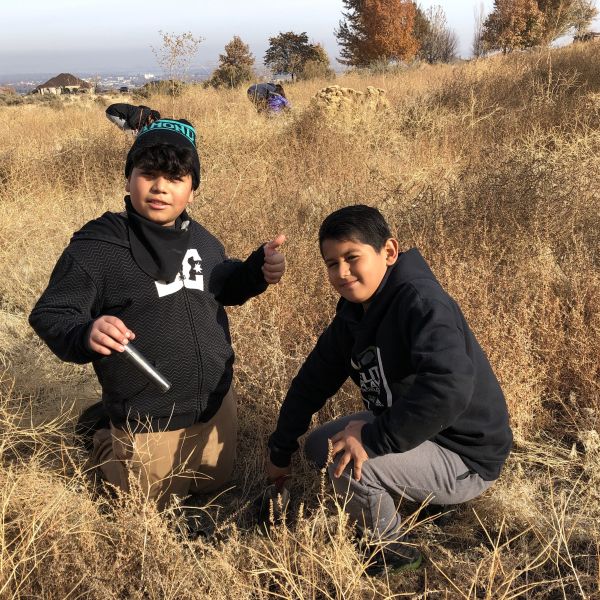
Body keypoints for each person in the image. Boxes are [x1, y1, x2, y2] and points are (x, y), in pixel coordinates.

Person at [30, 118, 286, 510]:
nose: (160, 187)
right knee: (146, 505)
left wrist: (257, 271)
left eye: (175, 177)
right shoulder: (97, 246)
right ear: (128, 178)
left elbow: (223, 283)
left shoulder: (201, 240)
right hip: (148, 409)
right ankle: (103, 437)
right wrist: (86, 332)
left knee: (216, 480)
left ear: (193, 190)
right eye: (147, 174)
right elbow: (51, 313)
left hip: (213, 399)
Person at [266, 205, 512, 574]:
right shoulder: (354, 313)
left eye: (352, 257)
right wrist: (280, 449)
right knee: (321, 445)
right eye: (332, 264)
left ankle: (396, 555)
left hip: (465, 453)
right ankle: (416, 493)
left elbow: (449, 388)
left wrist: (373, 438)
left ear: (389, 251)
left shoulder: (421, 302)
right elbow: (311, 382)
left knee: (344, 463)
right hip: (417, 431)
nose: (342, 272)